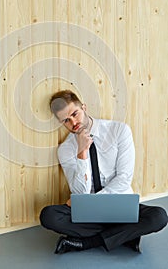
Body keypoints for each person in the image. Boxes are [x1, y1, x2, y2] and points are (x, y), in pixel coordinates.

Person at [40, 89, 168, 254]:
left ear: (84, 108)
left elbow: (124, 179)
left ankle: (85, 243)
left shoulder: (119, 130)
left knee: (159, 216)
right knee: (49, 216)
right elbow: (80, 192)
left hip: (120, 205)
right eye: (66, 120)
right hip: (88, 213)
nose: (73, 123)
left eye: (75, 114)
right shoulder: (65, 149)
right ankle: (124, 236)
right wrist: (81, 153)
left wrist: (93, 202)